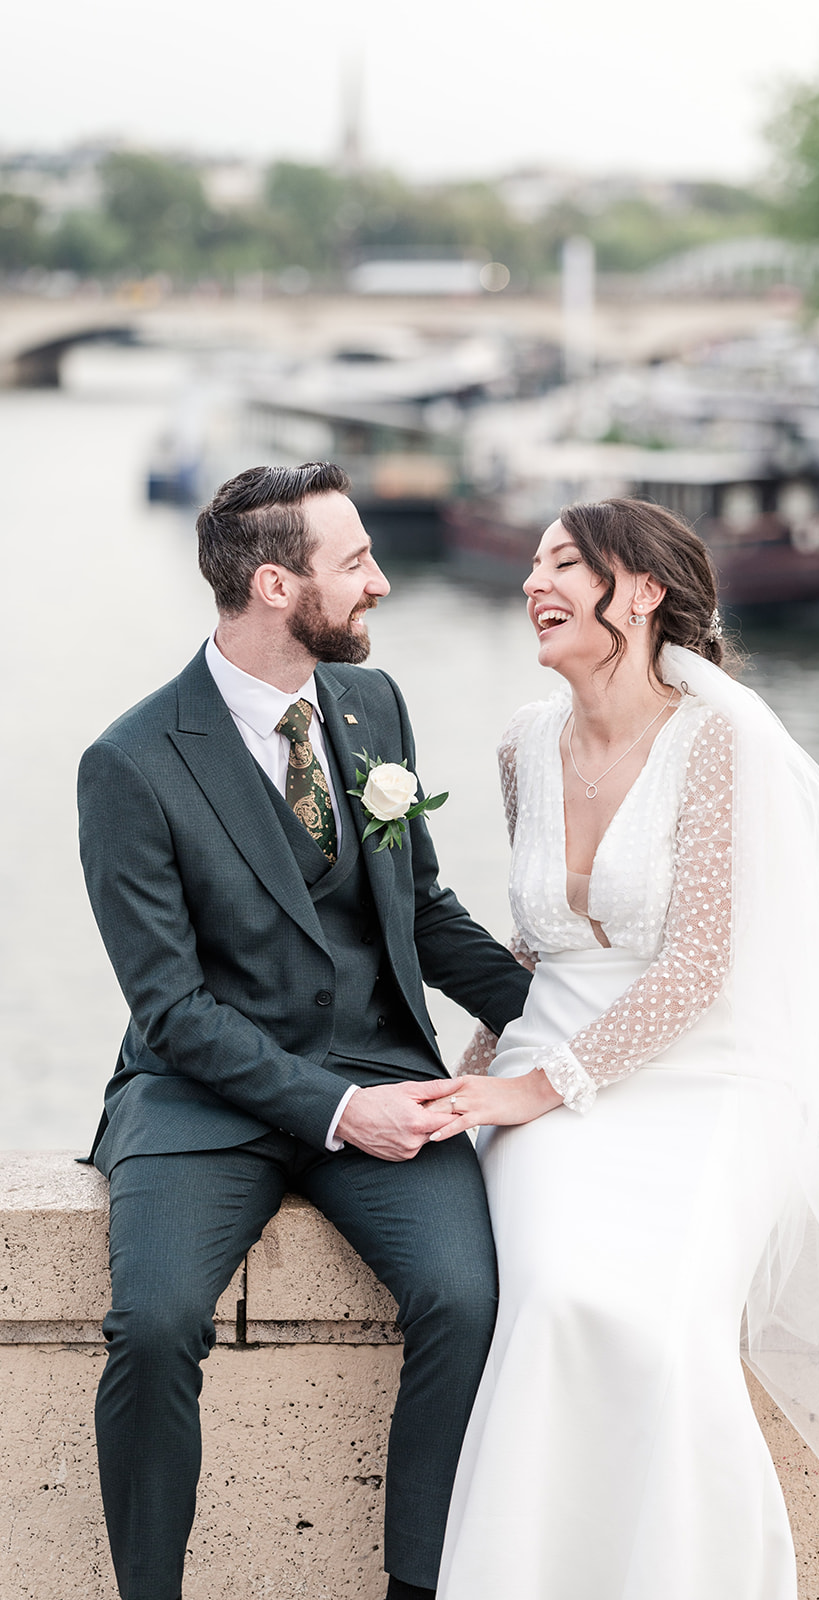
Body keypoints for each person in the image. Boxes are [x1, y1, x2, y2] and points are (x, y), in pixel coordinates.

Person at [77, 461, 533, 1600]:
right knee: (152, 1323)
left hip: (381, 1060)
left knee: (467, 1299)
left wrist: (568, 1026)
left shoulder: (372, 708)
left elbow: (423, 910)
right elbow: (171, 1009)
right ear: (275, 585)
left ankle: (414, 1587)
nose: (380, 580)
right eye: (357, 562)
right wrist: (337, 1111)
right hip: (200, 1101)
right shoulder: (129, 763)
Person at [429, 497, 819, 1600]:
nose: (535, 582)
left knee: (664, 1316)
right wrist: (474, 1075)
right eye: (532, 564)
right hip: (549, 1067)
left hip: (707, 1073)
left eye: (563, 564)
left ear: (639, 591)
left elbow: (696, 971)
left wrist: (539, 1087)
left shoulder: (719, 739)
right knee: (557, 1296)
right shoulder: (520, 744)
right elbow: (532, 945)